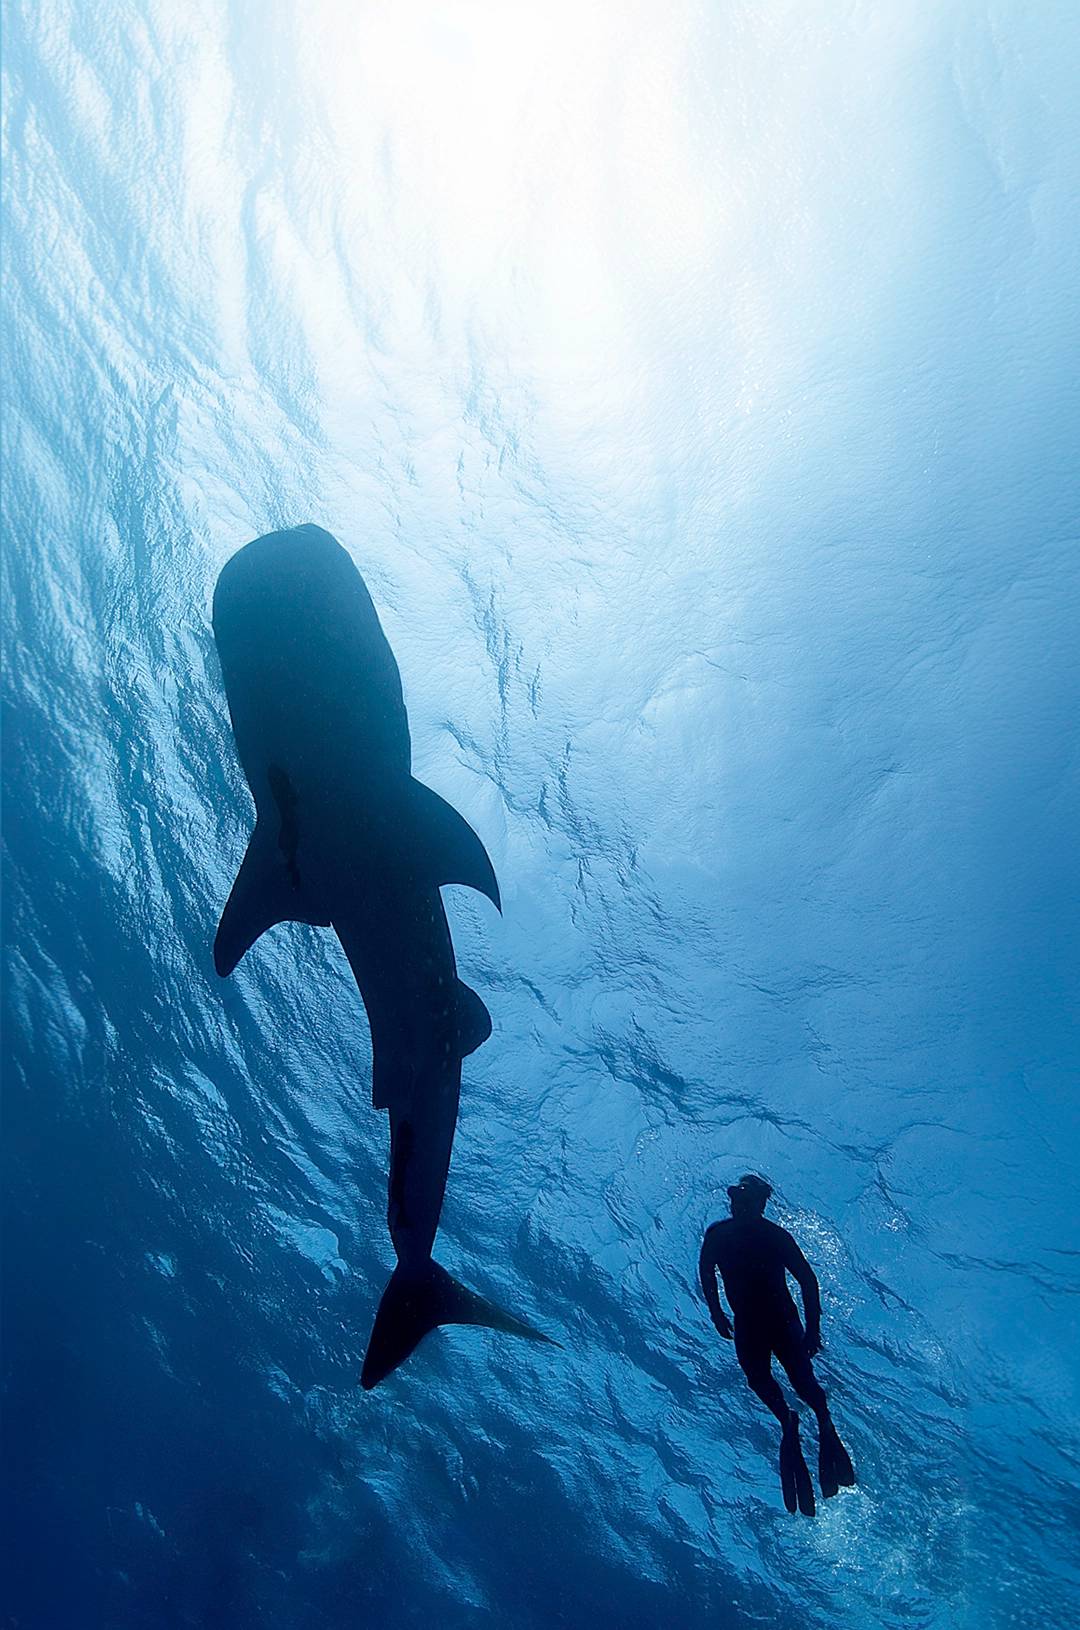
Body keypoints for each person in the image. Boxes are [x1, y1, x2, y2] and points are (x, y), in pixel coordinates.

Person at [698, 1173, 855, 1517]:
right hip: (749, 1327)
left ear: (760, 1203)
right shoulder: (718, 1235)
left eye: (746, 1199)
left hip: (783, 1324)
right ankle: (788, 1421)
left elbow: (808, 1281)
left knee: (804, 1383)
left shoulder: (776, 1237)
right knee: (758, 1380)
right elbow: (706, 1272)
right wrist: (716, 1313)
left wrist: (813, 1330)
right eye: (736, 1198)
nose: (738, 1204)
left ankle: (822, 1420)